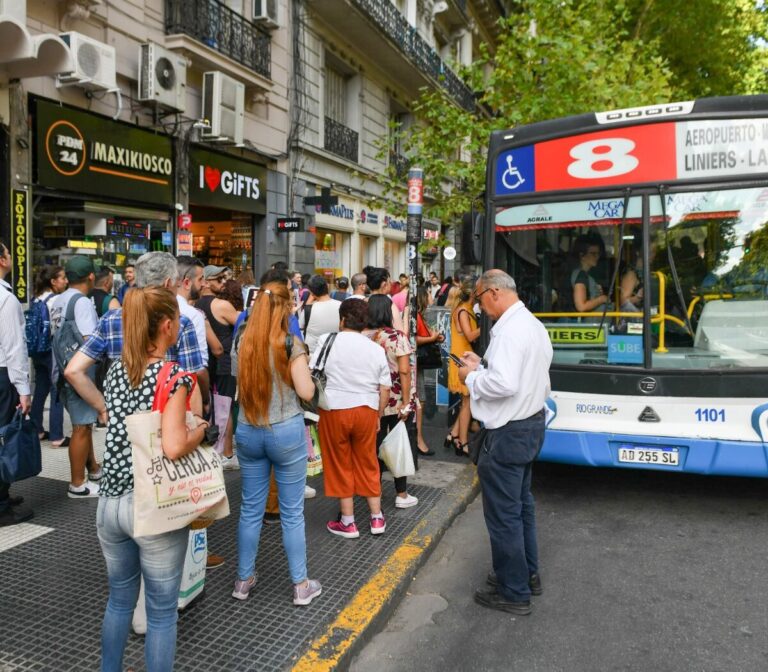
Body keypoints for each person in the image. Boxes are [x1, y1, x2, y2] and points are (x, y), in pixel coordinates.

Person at [97, 286, 207, 672]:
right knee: (161, 613)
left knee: (119, 601)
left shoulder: (115, 371)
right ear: (165, 326)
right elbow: (175, 446)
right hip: (152, 506)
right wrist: (200, 430)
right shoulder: (173, 375)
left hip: (109, 502)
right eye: (176, 320)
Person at [458, 269, 552, 616]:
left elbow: (505, 383)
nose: (480, 307)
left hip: (509, 432)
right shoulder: (531, 325)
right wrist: (482, 365)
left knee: (504, 515)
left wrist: (471, 377)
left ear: (494, 292)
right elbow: (521, 375)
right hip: (529, 425)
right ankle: (527, 575)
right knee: (521, 506)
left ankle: (514, 591)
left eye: (480, 299)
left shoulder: (511, 331)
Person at [232, 281, 322, 605]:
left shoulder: (243, 341)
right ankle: (300, 586)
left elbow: (236, 385)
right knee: (292, 512)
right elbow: (307, 392)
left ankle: (243, 581)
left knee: (250, 509)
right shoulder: (289, 343)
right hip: (285, 431)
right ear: (285, 308)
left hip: (248, 430)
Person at [311, 299, 390, 539]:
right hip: (366, 409)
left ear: (342, 319)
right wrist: (377, 414)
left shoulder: (327, 341)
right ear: (365, 322)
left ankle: (348, 521)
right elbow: (384, 388)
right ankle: (376, 518)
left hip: (334, 409)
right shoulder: (376, 349)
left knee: (339, 462)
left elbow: (312, 372)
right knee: (368, 461)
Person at [50, 256, 103, 498]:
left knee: (84, 423)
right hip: (78, 373)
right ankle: (77, 484)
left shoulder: (58, 300)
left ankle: (93, 468)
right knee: (81, 427)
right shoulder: (81, 302)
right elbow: (88, 339)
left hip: (61, 370)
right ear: (91, 276)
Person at [363, 295, 419, 508]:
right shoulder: (396, 337)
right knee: (398, 445)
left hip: (372, 399)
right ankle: (401, 494)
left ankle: (373, 490)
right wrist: (407, 402)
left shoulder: (364, 336)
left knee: (373, 447)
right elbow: (404, 370)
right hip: (395, 399)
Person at [0, 240, 33, 527]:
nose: (11, 257)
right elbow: (14, 348)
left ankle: (4, 495)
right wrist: (23, 389)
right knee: (4, 437)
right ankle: (1, 505)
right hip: (3, 377)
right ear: (1, 261)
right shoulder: (6, 299)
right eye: (8, 253)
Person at [196, 270, 242, 470]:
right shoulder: (221, 305)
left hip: (204, 364)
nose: (224, 282)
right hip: (223, 361)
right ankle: (226, 453)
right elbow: (245, 325)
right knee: (225, 407)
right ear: (206, 281)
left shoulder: (194, 306)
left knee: (209, 407)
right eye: (219, 279)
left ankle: (211, 449)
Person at [29, 265, 69, 447]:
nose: (66, 281)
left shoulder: (36, 299)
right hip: (52, 350)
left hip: (38, 350)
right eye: (62, 278)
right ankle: (57, 436)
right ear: (53, 282)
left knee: (40, 389)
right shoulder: (56, 300)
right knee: (57, 391)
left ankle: (37, 430)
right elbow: (59, 328)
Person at [446, 277, 480, 457]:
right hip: (463, 359)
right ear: (473, 293)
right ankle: (462, 442)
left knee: (466, 403)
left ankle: (453, 435)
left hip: (463, 357)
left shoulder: (462, 309)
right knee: (467, 403)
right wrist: (487, 326)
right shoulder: (463, 311)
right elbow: (470, 336)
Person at [415, 284, 443, 456]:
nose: (432, 297)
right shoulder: (415, 316)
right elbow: (414, 338)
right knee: (420, 400)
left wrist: (434, 337)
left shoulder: (419, 315)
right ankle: (418, 439)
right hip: (416, 363)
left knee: (420, 400)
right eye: (429, 294)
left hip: (418, 363)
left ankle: (417, 438)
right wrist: (432, 338)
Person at [299, 275, 341, 354]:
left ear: (311, 292)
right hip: (334, 351)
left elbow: (300, 326)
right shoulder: (341, 305)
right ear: (327, 287)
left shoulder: (309, 309)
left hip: (313, 353)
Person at [570, 235, 608, 313]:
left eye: (598, 254)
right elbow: (581, 306)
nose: (597, 257)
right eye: (593, 254)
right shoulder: (581, 276)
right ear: (582, 255)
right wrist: (602, 299)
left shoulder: (584, 275)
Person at [365, 266, 404, 331]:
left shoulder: (362, 303)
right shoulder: (389, 304)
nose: (391, 283)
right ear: (384, 284)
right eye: (389, 281)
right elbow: (400, 332)